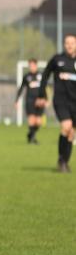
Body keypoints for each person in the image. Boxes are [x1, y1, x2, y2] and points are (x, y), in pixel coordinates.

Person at [37, 34, 76, 172]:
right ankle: (61, 160)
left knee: (71, 133)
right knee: (66, 126)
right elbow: (45, 74)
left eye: (72, 43)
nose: (69, 45)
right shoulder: (57, 59)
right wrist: (41, 94)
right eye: (67, 43)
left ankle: (64, 161)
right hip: (61, 100)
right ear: (64, 44)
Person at [15, 58, 44, 144]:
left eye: (33, 65)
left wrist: (45, 99)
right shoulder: (26, 77)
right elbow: (21, 88)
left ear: (36, 65)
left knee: (38, 122)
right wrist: (16, 100)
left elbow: (44, 88)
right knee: (31, 120)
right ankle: (33, 139)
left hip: (39, 101)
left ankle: (30, 134)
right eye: (30, 66)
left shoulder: (41, 76)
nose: (32, 67)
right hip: (30, 100)